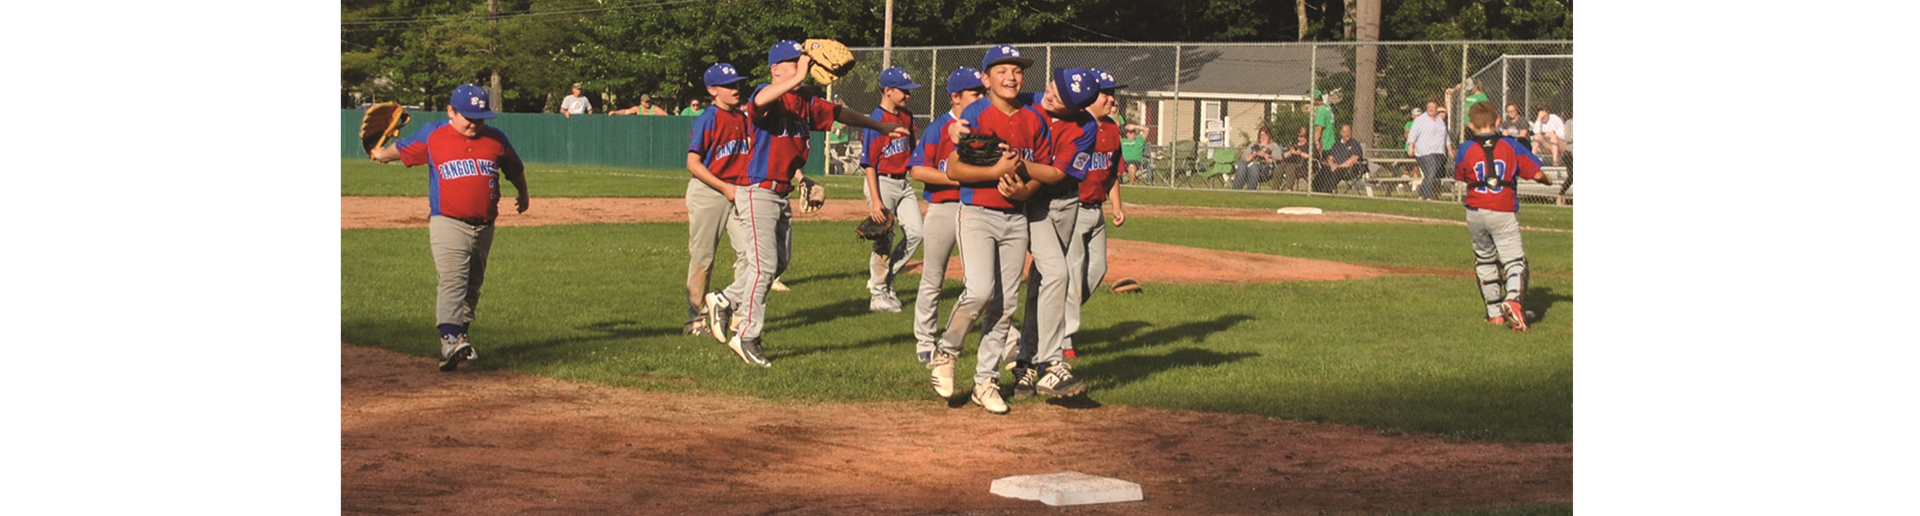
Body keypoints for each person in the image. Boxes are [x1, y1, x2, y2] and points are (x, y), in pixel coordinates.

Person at [704, 40, 908, 367]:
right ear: (776, 68)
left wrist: (880, 125)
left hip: (781, 192)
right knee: (763, 266)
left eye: (805, 61)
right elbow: (760, 101)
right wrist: (798, 73)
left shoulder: (804, 101)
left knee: (779, 263)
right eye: (795, 61)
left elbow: (840, 112)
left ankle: (725, 299)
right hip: (757, 189)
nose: (805, 66)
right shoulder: (765, 93)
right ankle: (747, 335)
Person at [368, 84, 530, 372]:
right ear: (451, 111)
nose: (474, 122)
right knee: (453, 279)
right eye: (467, 116)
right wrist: (379, 153)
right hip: (448, 220)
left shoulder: (496, 139)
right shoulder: (434, 134)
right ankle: (448, 340)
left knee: (472, 286)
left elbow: (515, 168)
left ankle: (461, 336)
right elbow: (402, 150)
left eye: (480, 117)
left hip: (485, 224)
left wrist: (523, 194)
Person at [935, 44, 1059, 413]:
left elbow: (1042, 169)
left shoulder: (1033, 118)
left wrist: (1025, 188)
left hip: (1015, 217)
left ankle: (985, 382)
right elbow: (954, 171)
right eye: (1002, 70)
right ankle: (946, 351)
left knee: (1005, 306)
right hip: (977, 213)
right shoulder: (975, 114)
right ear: (986, 79)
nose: (1011, 77)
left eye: (1017, 71)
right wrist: (995, 173)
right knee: (979, 292)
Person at [998, 66, 1100, 401]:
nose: (1050, 94)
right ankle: (1042, 360)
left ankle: (1031, 363)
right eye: (1053, 86)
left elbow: (1058, 173)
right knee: (1028, 279)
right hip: (1014, 200)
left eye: (1059, 98)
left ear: (1075, 108)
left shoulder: (1085, 126)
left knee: (1046, 279)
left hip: (1058, 202)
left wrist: (1018, 167)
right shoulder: (1027, 101)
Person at [905, 66, 985, 377]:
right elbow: (918, 171)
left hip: (976, 210)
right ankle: (924, 340)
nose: (981, 98)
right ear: (955, 97)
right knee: (932, 278)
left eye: (983, 92)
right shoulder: (938, 128)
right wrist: (959, 179)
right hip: (943, 208)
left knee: (978, 282)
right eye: (975, 93)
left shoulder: (986, 124)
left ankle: (961, 340)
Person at [1054, 68, 1127, 390]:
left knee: (1097, 269)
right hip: (1073, 208)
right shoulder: (1076, 126)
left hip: (1096, 209)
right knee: (1071, 275)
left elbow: (1112, 171)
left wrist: (1117, 206)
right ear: (1089, 98)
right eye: (1106, 93)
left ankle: (1054, 316)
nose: (1112, 99)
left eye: (1113, 93)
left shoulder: (1111, 129)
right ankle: (1063, 341)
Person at [1454, 101, 1552, 332]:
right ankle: (1513, 301)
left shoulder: (1464, 148)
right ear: (1498, 122)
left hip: (1475, 212)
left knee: (1485, 259)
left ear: (1470, 125)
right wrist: (1547, 180)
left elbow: (1461, 175)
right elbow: (1536, 173)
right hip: (1502, 208)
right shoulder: (1510, 144)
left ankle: (1494, 313)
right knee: (1515, 260)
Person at [682, 63, 754, 338]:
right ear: (712, 90)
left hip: (737, 192)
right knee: (703, 257)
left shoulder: (742, 117)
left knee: (750, 253)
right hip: (708, 192)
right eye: (729, 85)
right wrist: (724, 187)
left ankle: (735, 312)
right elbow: (692, 162)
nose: (736, 89)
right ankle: (695, 321)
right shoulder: (707, 118)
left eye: (737, 84)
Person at [859, 67, 924, 313]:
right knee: (883, 239)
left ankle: (884, 281)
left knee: (917, 233)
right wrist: (876, 201)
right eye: (903, 91)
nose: (908, 95)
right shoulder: (875, 120)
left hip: (903, 182)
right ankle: (878, 295)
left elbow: (912, 148)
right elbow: (869, 165)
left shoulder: (907, 116)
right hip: (881, 182)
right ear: (888, 91)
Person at [1407, 96, 1451, 201]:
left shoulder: (1440, 121)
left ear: (1437, 109)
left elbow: (1446, 136)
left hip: (1439, 151)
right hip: (1424, 151)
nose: (1431, 109)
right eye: (1429, 107)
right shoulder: (1421, 120)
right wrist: (1411, 147)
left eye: (1433, 107)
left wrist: (1449, 149)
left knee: (1431, 174)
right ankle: (1427, 196)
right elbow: (1412, 134)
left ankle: (1422, 193)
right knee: (1430, 172)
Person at [1316, 123, 1364, 193]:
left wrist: (1339, 166)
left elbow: (1353, 159)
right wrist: (1332, 165)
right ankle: (1315, 190)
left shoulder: (1355, 144)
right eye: (1344, 132)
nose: (1347, 134)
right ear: (1341, 133)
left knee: (1337, 171)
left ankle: (1327, 191)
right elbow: (1330, 157)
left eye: (1348, 131)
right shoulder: (1337, 144)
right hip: (1335, 167)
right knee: (1325, 169)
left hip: (1349, 170)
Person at [1311, 89, 1337, 182]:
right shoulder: (1328, 108)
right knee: (1327, 164)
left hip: (1325, 143)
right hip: (1332, 141)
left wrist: (1315, 142)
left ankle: (1323, 184)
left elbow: (1319, 129)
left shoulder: (1321, 110)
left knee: (1322, 165)